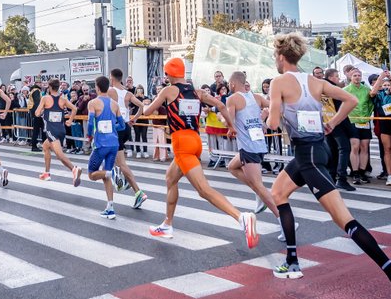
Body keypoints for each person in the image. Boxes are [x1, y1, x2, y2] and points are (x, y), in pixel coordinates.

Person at [266, 34, 391, 298]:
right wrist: (333, 123)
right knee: (278, 193)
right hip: (315, 150)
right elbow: (350, 101)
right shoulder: (315, 81)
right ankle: (292, 261)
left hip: (309, 156)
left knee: (345, 220)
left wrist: (270, 110)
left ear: (280, 57)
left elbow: (271, 124)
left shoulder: (279, 82)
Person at [142, 58, 258, 248]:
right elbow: (221, 105)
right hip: (195, 141)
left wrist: (141, 105)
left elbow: (147, 111)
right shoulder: (197, 92)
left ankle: (241, 217)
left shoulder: (168, 90)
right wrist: (231, 126)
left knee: (204, 190)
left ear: (170, 74)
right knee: (170, 178)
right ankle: (167, 225)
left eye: (166, 73)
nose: (166, 76)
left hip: (182, 144)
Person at [221, 71, 278, 217]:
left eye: (228, 83)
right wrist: (264, 118)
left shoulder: (232, 99)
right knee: (232, 167)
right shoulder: (257, 97)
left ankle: (283, 217)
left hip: (248, 146)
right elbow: (276, 107)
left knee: (258, 185)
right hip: (259, 143)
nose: (228, 86)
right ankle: (260, 193)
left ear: (232, 84)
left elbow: (230, 121)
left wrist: (223, 119)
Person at [107, 68, 147, 209]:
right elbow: (142, 106)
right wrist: (134, 119)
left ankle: (136, 190)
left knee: (119, 163)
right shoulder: (128, 93)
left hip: (116, 128)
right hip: (125, 127)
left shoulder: (111, 91)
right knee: (114, 160)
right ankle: (124, 181)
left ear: (112, 78)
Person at [85, 76, 123, 218]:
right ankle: (110, 208)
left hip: (101, 144)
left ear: (97, 87)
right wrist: (112, 127)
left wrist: (89, 136)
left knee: (91, 174)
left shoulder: (93, 103)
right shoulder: (115, 104)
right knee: (105, 175)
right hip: (114, 143)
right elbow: (123, 125)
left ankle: (111, 173)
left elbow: (90, 123)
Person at [35, 78, 83, 185]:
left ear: (50, 87)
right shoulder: (63, 99)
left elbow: (37, 113)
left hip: (51, 130)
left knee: (59, 154)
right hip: (61, 129)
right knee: (45, 147)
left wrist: (43, 110)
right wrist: (70, 121)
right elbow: (74, 109)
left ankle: (74, 169)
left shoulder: (45, 98)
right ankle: (46, 173)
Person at [324, 68, 355, 191]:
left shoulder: (320, 89)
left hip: (325, 123)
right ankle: (341, 178)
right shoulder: (332, 89)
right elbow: (343, 106)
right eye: (337, 76)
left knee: (333, 151)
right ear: (331, 78)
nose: (338, 79)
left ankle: (331, 176)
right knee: (344, 148)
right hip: (336, 123)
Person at [344, 69, 374, 184]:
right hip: (352, 121)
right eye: (354, 75)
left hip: (364, 121)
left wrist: (367, 115)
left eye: (359, 75)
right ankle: (355, 172)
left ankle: (362, 171)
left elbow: (371, 104)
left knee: (365, 146)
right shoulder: (345, 90)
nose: (357, 77)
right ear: (350, 77)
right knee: (355, 146)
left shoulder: (366, 90)